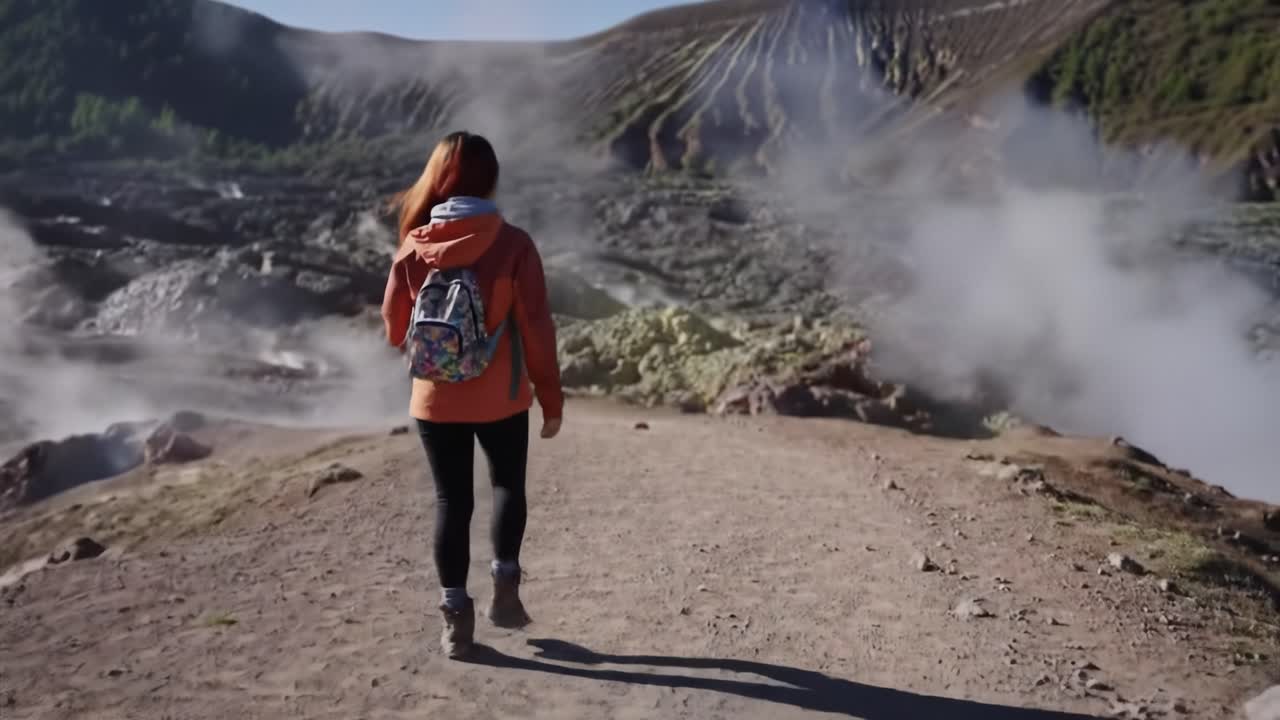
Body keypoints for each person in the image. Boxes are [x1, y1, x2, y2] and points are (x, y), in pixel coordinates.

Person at [381, 130, 564, 658]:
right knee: (507, 486)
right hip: (502, 398)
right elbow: (536, 329)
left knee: (450, 501)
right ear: (492, 180)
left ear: (438, 180)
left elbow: (395, 329)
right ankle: (505, 592)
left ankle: (455, 621)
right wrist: (550, 400)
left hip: (434, 399)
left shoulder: (415, 244)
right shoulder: (513, 244)